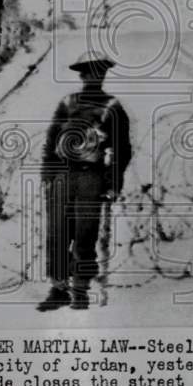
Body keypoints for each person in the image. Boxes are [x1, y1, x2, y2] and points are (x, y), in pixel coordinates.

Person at [38, 51, 131, 311]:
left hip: (91, 176)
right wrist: (48, 174)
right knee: (57, 233)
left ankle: (80, 289)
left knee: (85, 235)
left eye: (99, 72)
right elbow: (52, 139)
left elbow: (122, 149)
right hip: (62, 175)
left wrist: (113, 183)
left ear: (104, 75)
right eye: (89, 72)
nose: (94, 77)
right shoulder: (68, 103)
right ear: (82, 75)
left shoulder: (112, 107)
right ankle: (58, 288)